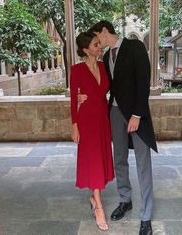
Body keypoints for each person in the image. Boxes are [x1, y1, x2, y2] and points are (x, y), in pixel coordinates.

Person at [89, 20, 158, 235]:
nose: (96, 41)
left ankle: (146, 216)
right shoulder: (107, 55)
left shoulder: (134, 46)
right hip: (115, 114)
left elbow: (143, 81)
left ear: (104, 31)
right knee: (118, 158)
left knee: (142, 162)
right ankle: (125, 200)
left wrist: (137, 114)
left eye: (96, 36)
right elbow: (102, 84)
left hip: (136, 115)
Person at [70, 31, 114, 231]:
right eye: (96, 45)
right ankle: (98, 207)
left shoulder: (105, 67)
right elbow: (73, 99)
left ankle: (93, 197)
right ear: (86, 50)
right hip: (86, 120)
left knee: (100, 159)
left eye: (99, 43)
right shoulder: (77, 70)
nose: (99, 47)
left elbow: (114, 88)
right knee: (94, 160)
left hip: (103, 119)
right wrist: (74, 125)